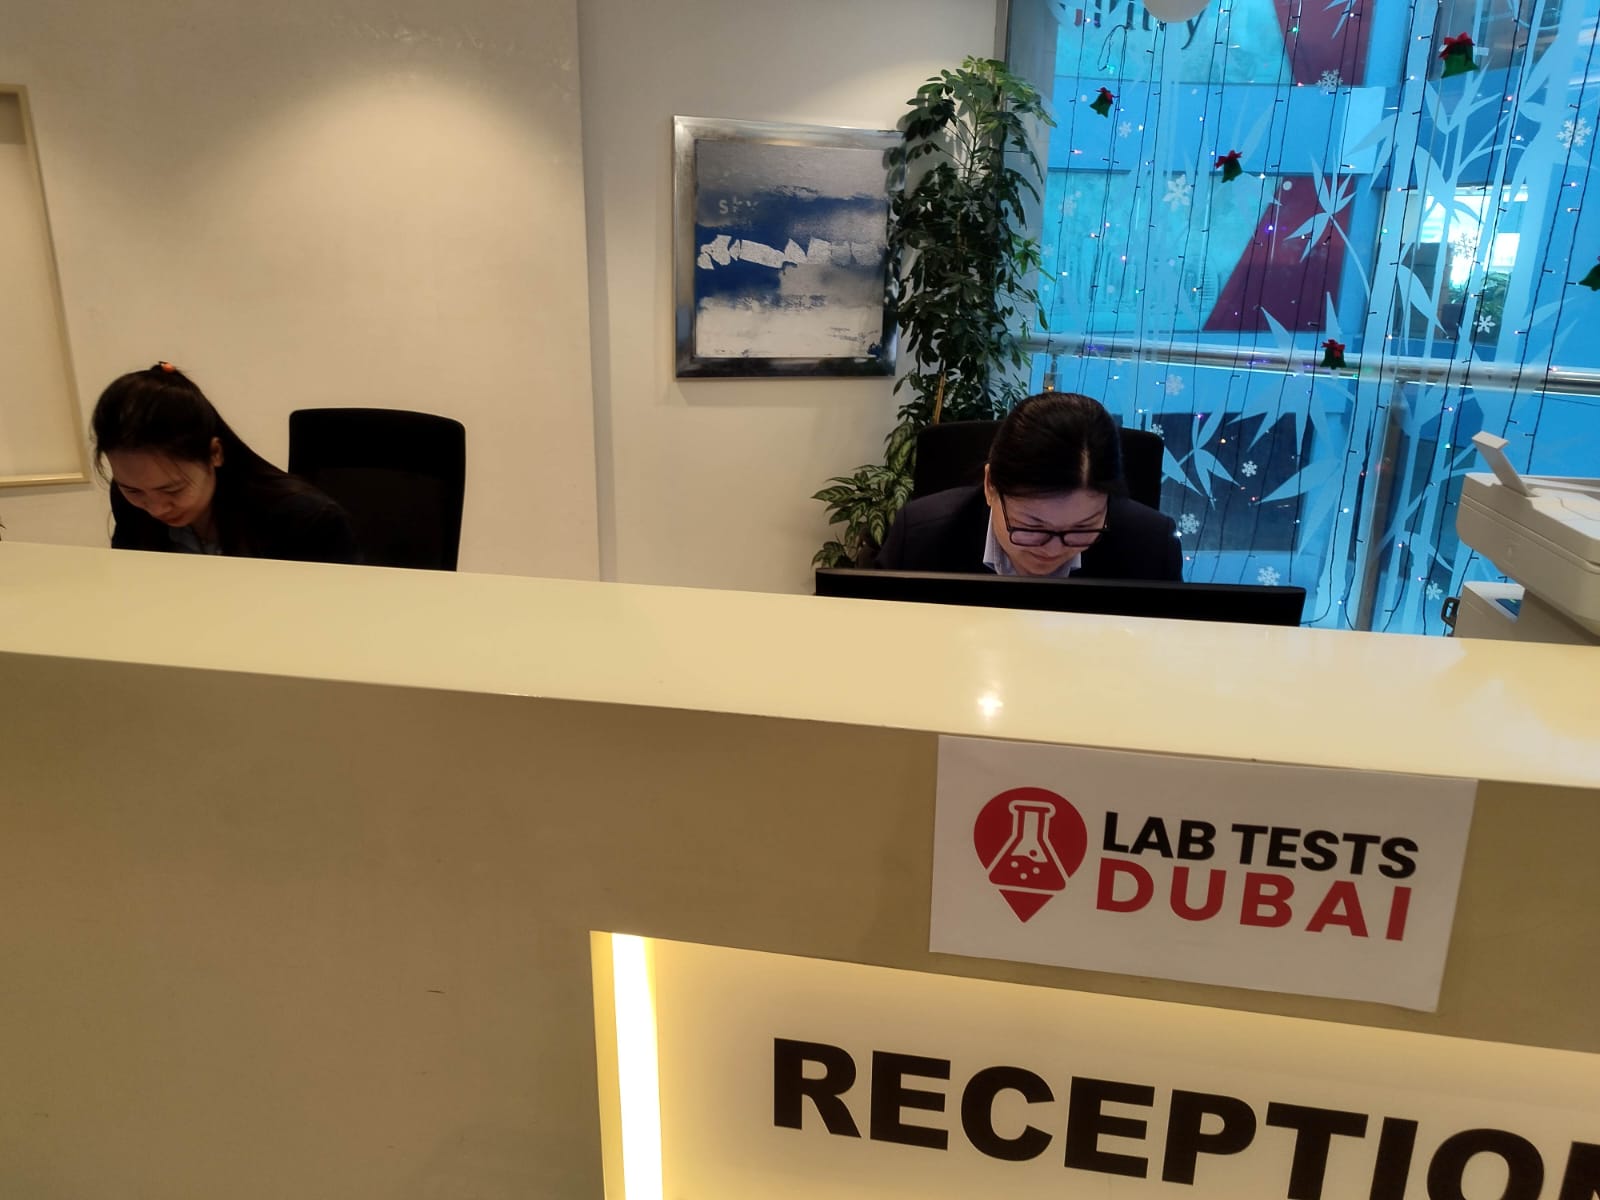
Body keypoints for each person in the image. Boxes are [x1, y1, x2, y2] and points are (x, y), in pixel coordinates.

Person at [875, 391, 1181, 580]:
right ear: (990, 486)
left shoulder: (1151, 547)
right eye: (1033, 527)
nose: (1053, 550)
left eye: (1082, 528)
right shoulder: (921, 535)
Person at [92, 362, 359, 563]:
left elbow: (334, 611)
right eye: (133, 491)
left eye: (172, 490)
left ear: (215, 453)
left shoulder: (306, 519)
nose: (156, 508)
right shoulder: (132, 504)